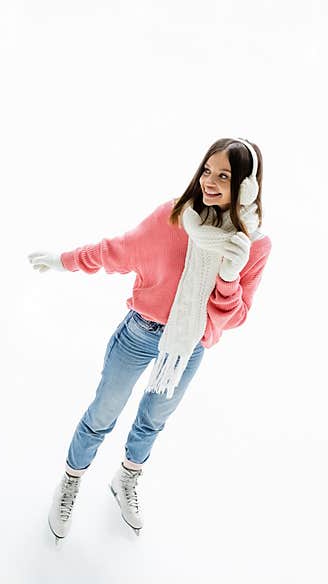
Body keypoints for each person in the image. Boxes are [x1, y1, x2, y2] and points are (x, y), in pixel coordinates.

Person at [28, 137, 272, 544]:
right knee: (102, 415)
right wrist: (63, 261)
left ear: (247, 186)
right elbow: (116, 251)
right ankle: (71, 482)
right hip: (140, 333)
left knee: (152, 421)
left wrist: (229, 276)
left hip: (188, 347)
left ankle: (125, 479)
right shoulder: (173, 217)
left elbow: (237, 316)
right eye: (207, 170)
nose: (210, 181)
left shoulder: (253, 245)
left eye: (225, 176)